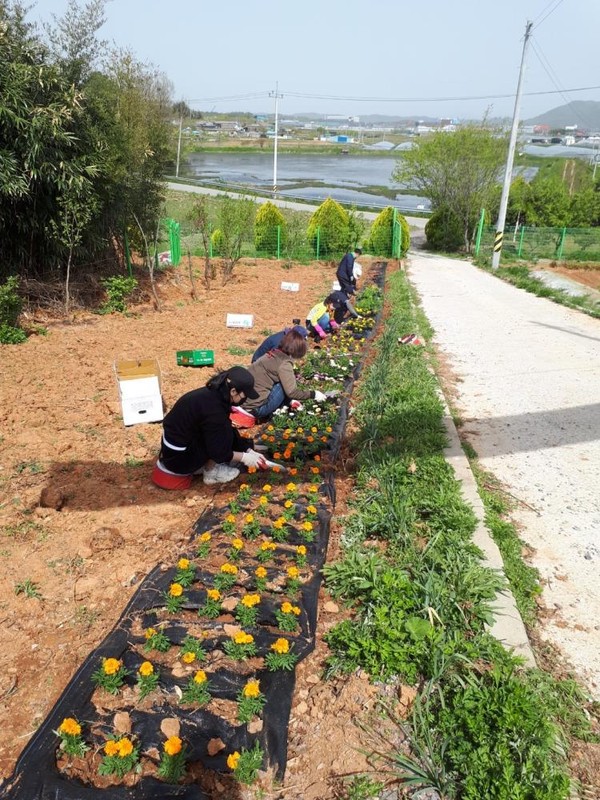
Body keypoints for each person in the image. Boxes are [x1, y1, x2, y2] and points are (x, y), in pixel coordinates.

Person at [152, 366, 267, 489]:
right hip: (178, 461)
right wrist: (245, 458)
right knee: (222, 434)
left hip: (170, 450)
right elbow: (219, 451)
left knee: (224, 429)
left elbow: (225, 429)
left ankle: (206, 464)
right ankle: (211, 472)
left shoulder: (213, 394)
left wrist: (249, 447)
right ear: (233, 391)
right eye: (244, 395)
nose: (245, 399)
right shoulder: (214, 410)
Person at [235, 330, 326, 424]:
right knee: (282, 386)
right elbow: (291, 392)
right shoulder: (284, 364)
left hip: (242, 402)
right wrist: (313, 394)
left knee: (282, 383)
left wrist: (290, 401)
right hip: (255, 409)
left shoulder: (271, 354)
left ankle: (287, 403)